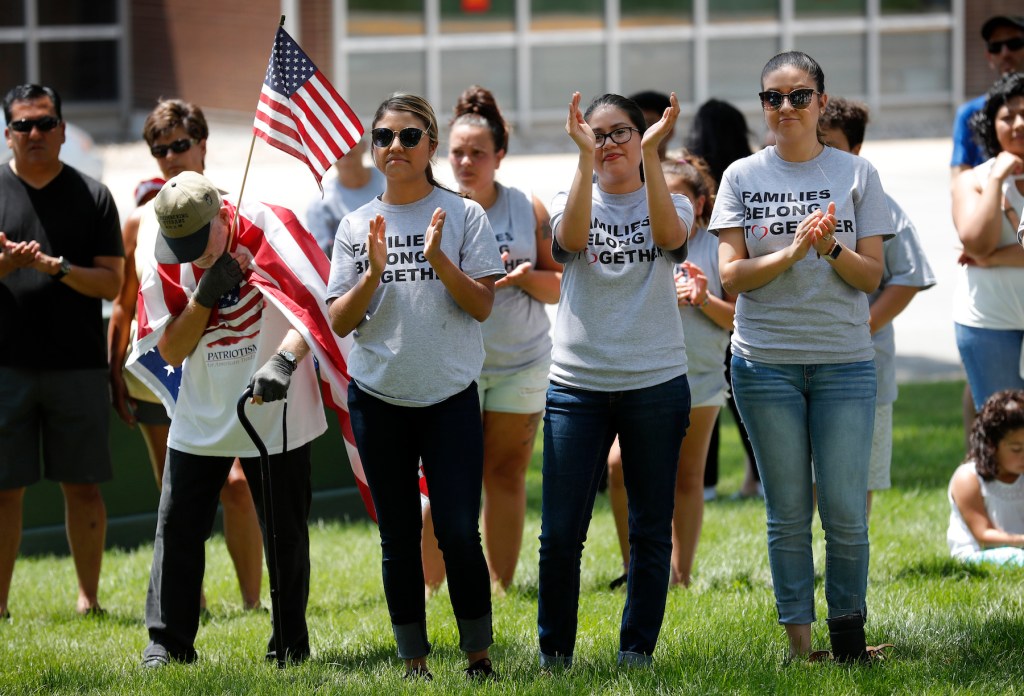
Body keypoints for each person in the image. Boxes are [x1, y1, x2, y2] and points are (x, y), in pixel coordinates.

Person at [711, 51, 892, 662]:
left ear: (821, 100)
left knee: (844, 511)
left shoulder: (857, 174)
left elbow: (871, 278)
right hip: (763, 364)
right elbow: (731, 278)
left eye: (798, 95)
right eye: (772, 97)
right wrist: (791, 254)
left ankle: (847, 642)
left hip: (844, 363)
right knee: (787, 511)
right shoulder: (740, 176)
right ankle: (799, 646)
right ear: (762, 104)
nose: (785, 107)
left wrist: (831, 249)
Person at [327, 93, 504, 681]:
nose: (394, 147)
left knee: (457, 528)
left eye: (407, 136)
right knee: (399, 536)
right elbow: (340, 321)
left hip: (450, 396)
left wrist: (440, 261)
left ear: (431, 145)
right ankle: (414, 663)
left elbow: (482, 305)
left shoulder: (463, 215)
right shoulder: (355, 225)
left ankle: (478, 655)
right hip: (379, 399)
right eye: (382, 137)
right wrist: (374, 273)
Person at [135, 172, 327, 667]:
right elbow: (171, 349)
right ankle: (167, 644)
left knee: (285, 532)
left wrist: (284, 360)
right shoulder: (166, 260)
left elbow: (317, 306)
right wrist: (206, 294)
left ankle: (289, 644)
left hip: (277, 401)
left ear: (224, 213)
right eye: (182, 245)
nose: (192, 254)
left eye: (201, 241)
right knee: (177, 526)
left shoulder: (273, 227)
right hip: (202, 404)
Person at [538, 91, 692, 669]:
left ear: (643, 134)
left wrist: (651, 157)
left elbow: (672, 240)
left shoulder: (673, 200)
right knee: (560, 535)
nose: (609, 145)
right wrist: (584, 161)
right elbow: (571, 243)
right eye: (597, 134)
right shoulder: (568, 194)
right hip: (577, 386)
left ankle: (637, 653)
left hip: (655, 382)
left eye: (621, 132)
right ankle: (555, 653)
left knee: (650, 529)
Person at [107, 99, 263, 612]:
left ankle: (250, 600)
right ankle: (187, 605)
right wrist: (115, 373)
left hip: (225, 367)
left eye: (180, 144)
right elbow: (128, 305)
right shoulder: (138, 223)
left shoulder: (235, 210)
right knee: (174, 495)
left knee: (236, 485)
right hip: (160, 368)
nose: (171, 157)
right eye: (159, 149)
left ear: (202, 144)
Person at [420, 85, 560, 594]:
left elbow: (560, 284)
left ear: (500, 155)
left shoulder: (527, 209)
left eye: (478, 152)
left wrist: (523, 278)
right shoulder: (430, 210)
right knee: (446, 481)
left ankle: (501, 586)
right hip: (451, 366)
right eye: (457, 151)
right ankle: (430, 589)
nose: (465, 161)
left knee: (505, 474)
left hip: (520, 362)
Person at [0, 83, 124, 619]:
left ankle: (88, 600)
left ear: (63, 131)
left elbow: (112, 284)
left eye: (45, 124)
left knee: (85, 490)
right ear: (7, 133)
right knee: (4, 493)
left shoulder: (93, 195)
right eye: (23, 125)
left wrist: (58, 267)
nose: (35, 134)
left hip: (77, 366)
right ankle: (0, 607)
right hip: (6, 367)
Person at [607, 155, 735, 588]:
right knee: (619, 468)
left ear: (699, 203)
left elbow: (739, 320)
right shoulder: (641, 234)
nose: (663, 200)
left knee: (686, 475)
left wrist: (702, 297)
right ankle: (634, 569)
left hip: (698, 374)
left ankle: (679, 575)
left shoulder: (716, 245)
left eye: (677, 193)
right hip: (640, 373)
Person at [819, 97, 936, 517]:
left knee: (859, 470)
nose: (819, 152)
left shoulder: (879, 204)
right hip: (805, 356)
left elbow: (907, 277)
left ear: (855, 152)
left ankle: (852, 553)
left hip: (866, 364)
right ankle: (813, 558)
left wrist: (862, 325)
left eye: (829, 144)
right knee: (812, 470)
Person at [685, 98, 760, 502]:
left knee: (704, 394)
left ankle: (708, 482)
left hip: (702, 287)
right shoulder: (747, 169)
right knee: (740, 396)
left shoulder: (689, 171)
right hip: (743, 284)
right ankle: (759, 477)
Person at [952, 72, 1024, 412]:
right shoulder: (973, 179)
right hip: (988, 325)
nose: (1018, 124)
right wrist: (997, 177)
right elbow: (977, 245)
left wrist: (993, 258)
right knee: (1003, 431)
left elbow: (983, 254)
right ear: (992, 126)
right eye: (1007, 117)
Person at [948, 389, 1024, 567]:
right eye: (1016, 449)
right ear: (992, 445)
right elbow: (983, 535)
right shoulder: (969, 478)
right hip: (975, 554)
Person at [951, 15, 1024, 177]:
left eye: (1014, 44)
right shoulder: (970, 114)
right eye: (995, 47)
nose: (1005, 53)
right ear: (989, 57)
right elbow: (959, 181)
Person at [306, 135, 385, 257]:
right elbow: (322, 257)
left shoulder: (392, 182)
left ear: (364, 145)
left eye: (348, 138)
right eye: (334, 145)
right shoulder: (320, 205)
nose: (343, 148)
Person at [628, 91, 674, 161]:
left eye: (648, 124)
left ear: (670, 130)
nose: (641, 132)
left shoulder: (685, 169)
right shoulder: (617, 170)